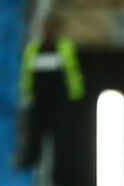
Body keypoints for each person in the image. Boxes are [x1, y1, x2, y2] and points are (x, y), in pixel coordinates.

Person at [17, 14, 84, 170]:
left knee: (61, 138)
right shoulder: (32, 49)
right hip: (39, 100)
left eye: (51, 26)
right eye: (46, 26)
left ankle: (61, 170)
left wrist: (75, 96)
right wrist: (26, 94)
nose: (48, 30)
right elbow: (27, 74)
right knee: (35, 133)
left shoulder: (65, 48)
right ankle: (31, 163)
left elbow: (72, 73)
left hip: (60, 102)